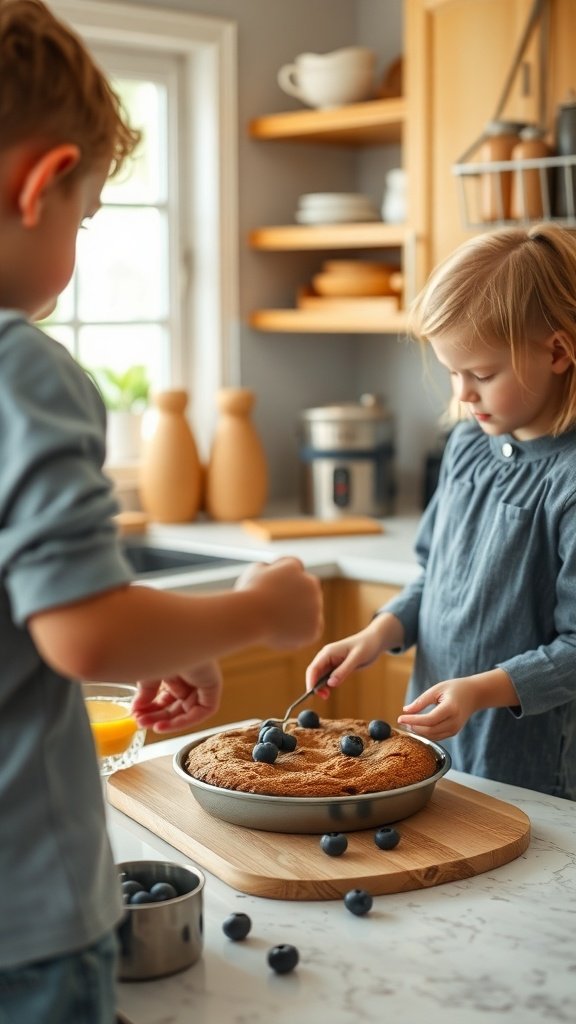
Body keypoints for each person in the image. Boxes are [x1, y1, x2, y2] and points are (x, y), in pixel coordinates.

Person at [0, 2, 323, 1022]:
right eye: (87, 219)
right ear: (42, 184)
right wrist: (256, 611)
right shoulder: (23, 373)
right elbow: (80, 625)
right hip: (27, 920)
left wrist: (155, 638)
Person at [306, 223, 576, 802]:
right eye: (452, 372)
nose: (462, 394)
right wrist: (378, 633)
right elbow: (437, 578)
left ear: (558, 351)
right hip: (445, 751)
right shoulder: (465, 446)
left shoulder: (569, 480)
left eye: (480, 375)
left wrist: (477, 692)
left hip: (535, 772)